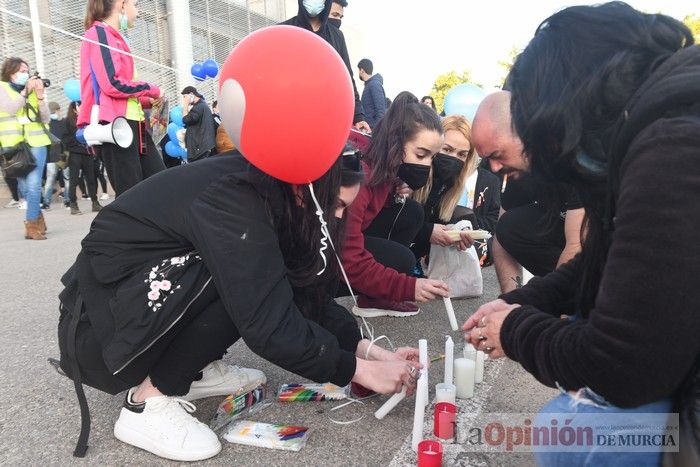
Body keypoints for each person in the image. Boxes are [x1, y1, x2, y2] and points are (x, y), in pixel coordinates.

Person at [57, 150, 422, 461]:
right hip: (103, 329)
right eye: (337, 205)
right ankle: (147, 402)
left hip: (140, 306)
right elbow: (269, 326)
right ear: (308, 187)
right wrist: (357, 371)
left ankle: (191, 369)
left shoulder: (274, 185)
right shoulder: (237, 196)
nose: (338, 218)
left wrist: (366, 350)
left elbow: (299, 291)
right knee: (238, 272)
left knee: (253, 269)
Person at [464, 4, 700, 465]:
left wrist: (516, 331)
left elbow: (622, 365)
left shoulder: (671, 149)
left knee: (569, 434)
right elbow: (605, 261)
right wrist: (521, 304)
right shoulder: (657, 126)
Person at [342, 92, 449, 317]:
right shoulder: (359, 178)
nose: (427, 165)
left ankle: (376, 296)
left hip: (350, 238)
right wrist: (408, 287)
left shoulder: (384, 168)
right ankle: (371, 294)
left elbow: (375, 206)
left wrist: (395, 190)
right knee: (403, 259)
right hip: (332, 256)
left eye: (432, 157)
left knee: (412, 212)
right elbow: (346, 255)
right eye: (421, 154)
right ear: (395, 143)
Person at [472, 91, 584, 292]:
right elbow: (500, 238)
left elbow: (576, 246)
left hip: (616, 249)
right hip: (568, 237)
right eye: (487, 158)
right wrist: (511, 301)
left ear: (525, 133)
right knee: (509, 226)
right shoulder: (519, 167)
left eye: (497, 155)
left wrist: (556, 317)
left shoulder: (576, 155)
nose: (495, 168)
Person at [80, 0, 165, 197]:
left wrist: (146, 100)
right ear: (122, 4)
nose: (138, 11)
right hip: (116, 125)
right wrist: (151, 89)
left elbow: (119, 88)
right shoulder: (99, 33)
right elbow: (112, 83)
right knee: (131, 197)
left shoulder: (114, 38)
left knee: (161, 187)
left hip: (133, 124)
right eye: (136, 4)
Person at [412, 115, 501, 266]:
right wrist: (428, 231)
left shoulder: (449, 184)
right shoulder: (414, 174)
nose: (453, 158)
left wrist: (454, 234)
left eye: (461, 154)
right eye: (447, 149)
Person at [281, 0, 370, 132]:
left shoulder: (337, 36)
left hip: (327, 117)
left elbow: (346, 79)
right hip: (291, 115)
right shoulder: (283, 31)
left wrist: (358, 116)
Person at [0, 57, 51, 239]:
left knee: (34, 184)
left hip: (36, 141)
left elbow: (45, 118)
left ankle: (31, 226)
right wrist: (24, 92)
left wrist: (39, 96)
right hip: (13, 145)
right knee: (25, 186)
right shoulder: (2, 88)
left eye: (27, 71)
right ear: (10, 72)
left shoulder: (32, 91)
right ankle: (38, 218)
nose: (26, 74)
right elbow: (10, 109)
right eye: (22, 71)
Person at [63, 101, 101, 214]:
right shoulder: (68, 121)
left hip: (87, 152)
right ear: (74, 108)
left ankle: (95, 202)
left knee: (91, 178)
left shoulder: (86, 120)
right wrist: (76, 141)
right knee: (74, 180)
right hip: (75, 153)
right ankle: (73, 204)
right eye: (80, 106)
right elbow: (65, 139)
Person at [42, 101, 67, 210]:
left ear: (58, 110)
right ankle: (46, 202)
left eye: (54, 111)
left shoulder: (64, 122)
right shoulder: (48, 124)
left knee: (65, 179)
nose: (53, 113)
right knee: (51, 179)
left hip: (62, 155)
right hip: (54, 156)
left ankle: (67, 201)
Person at [180, 86, 216, 162]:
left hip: (200, 150)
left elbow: (185, 119)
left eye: (185, 97)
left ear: (191, 94)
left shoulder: (198, 107)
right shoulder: (202, 105)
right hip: (203, 148)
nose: (184, 99)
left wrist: (185, 105)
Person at [358, 58, 387, 129]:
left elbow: (381, 111)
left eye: (358, 70)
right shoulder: (369, 85)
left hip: (372, 130)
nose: (358, 73)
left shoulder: (374, 85)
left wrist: (374, 130)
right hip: (368, 128)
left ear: (362, 70)